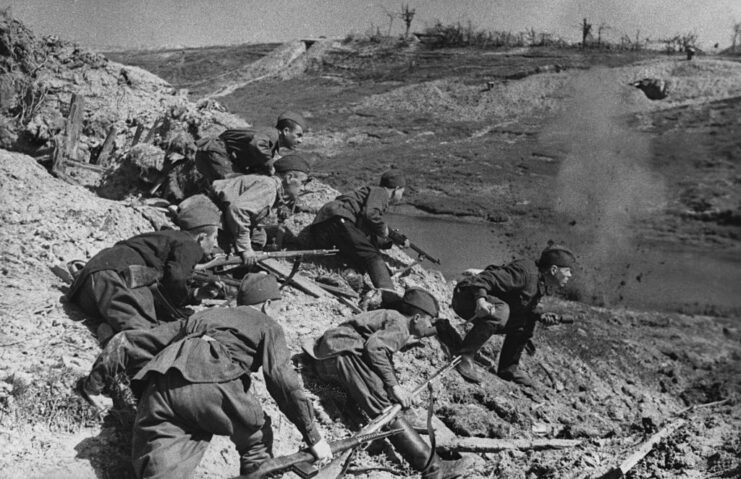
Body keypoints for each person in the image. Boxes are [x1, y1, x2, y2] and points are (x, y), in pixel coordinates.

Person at [77, 273, 332, 478]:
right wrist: (313, 437)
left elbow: (128, 342)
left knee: (161, 467)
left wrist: (93, 386)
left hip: (163, 387)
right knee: (256, 440)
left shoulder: (203, 316)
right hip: (214, 386)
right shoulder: (267, 324)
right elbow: (282, 380)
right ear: (267, 304)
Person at [303, 287, 470, 479]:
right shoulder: (401, 326)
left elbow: (376, 352)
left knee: (381, 394)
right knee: (385, 410)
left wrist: (389, 385)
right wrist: (394, 386)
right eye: (429, 322)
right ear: (416, 318)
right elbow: (375, 348)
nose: (429, 329)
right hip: (342, 356)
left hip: (332, 355)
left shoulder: (393, 317)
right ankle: (434, 469)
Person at [67, 214, 221, 337]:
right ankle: (111, 337)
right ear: (201, 237)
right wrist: (188, 297)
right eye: (214, 238)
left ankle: (109, 330)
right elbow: (177, 280)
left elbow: (165, 287)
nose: (215, 245)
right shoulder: (190, 244)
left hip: (87, 286)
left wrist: (196, 294)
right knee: (145, 338)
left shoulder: (164, 236)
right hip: (116, 277)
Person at [451, 244, 576, 386]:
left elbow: (521, 305)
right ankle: (464, 356)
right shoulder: (525, 273)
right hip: (465, 298)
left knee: (528, 319)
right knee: (501, 310)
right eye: (568, 271)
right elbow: (483, 279)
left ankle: (508, 369)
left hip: (482, 304)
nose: (570, 276)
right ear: (554, 270)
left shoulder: (540, 281)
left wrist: (541, 316)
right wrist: (480, 300)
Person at [175, 154, 311, 265]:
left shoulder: (272, 187)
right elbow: (238, 210)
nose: (303, 188)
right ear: (289, 178)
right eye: (303, 182)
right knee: (211, 256)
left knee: (259, 237)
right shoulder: (269, 187)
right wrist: (245, 249)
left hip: (213, 211)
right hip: (206, 214)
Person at [309, 170, 407, 304]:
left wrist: (388, 240)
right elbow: (371, 215)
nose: (401, 196)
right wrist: (387, 231)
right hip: (338, 219)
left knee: (359, 254)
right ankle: (389, 295)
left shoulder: (365, 196)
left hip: (322, 226)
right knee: (371, 256)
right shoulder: (381, 192)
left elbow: (361, 233)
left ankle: (351, 278)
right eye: (402, 192)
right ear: (396, 189)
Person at [195, 110, 306, 182]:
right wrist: (270, 164)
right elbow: (257, 144)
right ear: (286, 131)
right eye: (298, 135)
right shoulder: (272, 134)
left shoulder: (271, 145)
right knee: (234, 184)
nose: (300, 141)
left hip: (223, 154)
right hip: (217, 151)